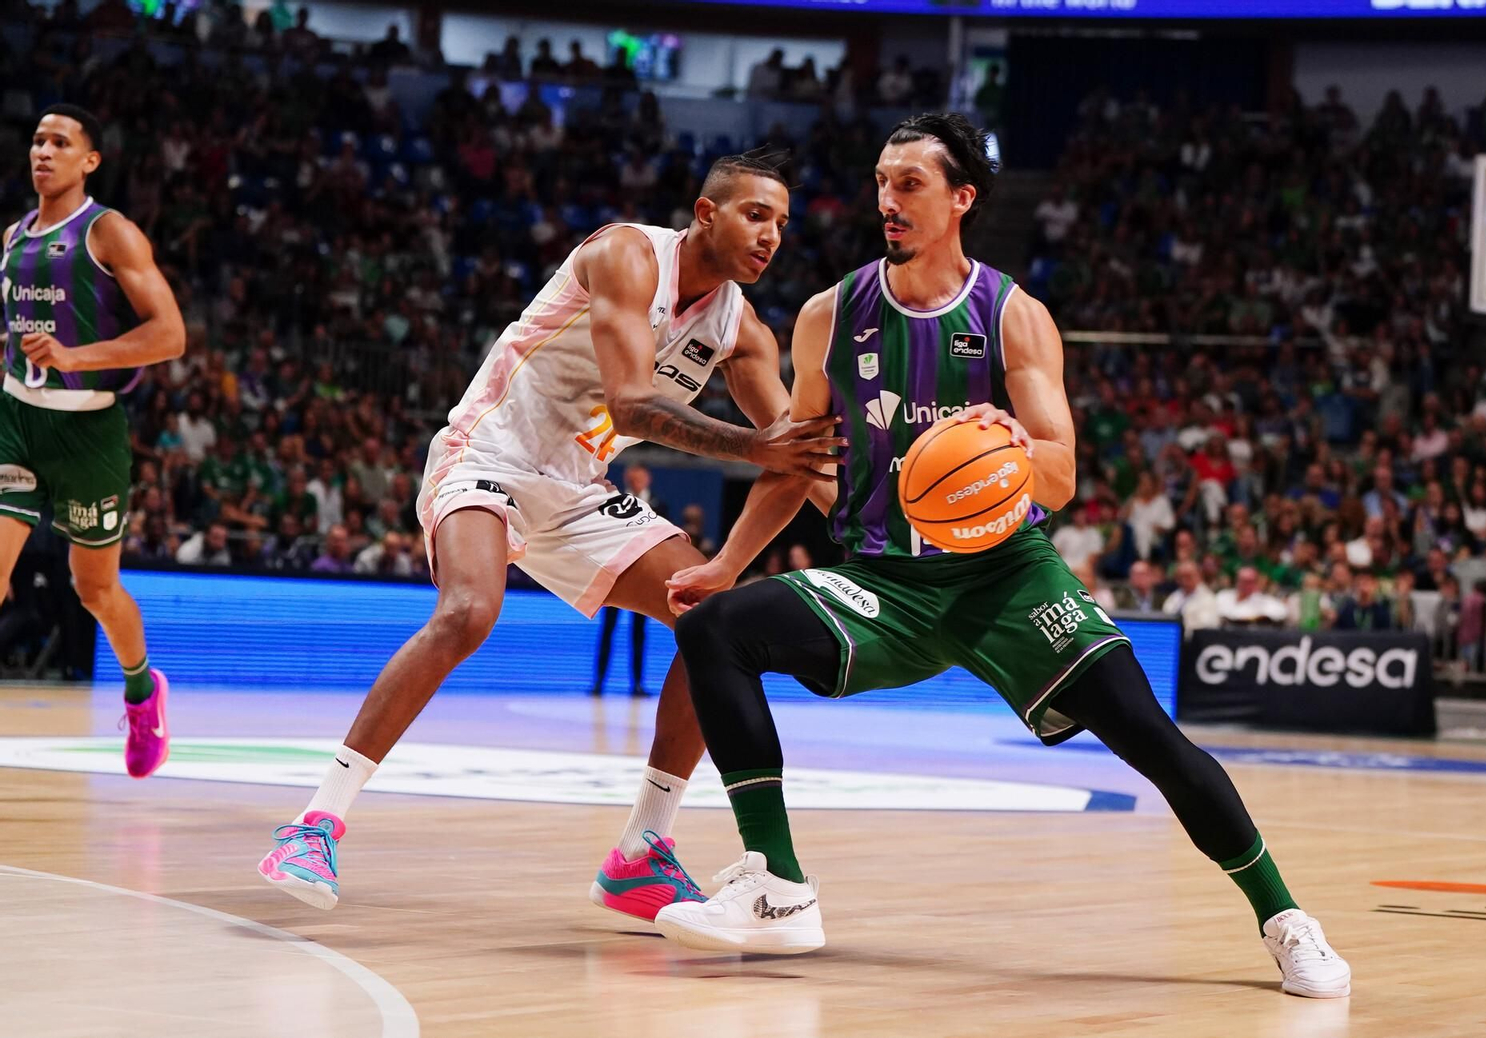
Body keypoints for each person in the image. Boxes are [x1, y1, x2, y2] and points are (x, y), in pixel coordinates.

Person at [656, 113, 1349, 998]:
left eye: (910, 184)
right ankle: (780, 888)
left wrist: (1010, 445)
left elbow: (1058, 479)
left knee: (1153, 740)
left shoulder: (1014, 317)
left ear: (962, 199)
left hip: (1009, 576)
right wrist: (728, 563)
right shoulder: (833, 314)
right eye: (881, 182)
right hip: (882, 581)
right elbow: (799, 460)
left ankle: (1286, 920)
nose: (888, 201)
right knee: (716, 629)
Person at [256, 152, 842, 922]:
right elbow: (634, 408)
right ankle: (314, 823)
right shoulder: (627, 256)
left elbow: (795, 450)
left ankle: (641, 853)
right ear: (706, 214)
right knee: (469, 610)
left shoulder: (745, 332)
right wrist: (753, 448)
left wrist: (880, 519)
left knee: (714, 621)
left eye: (782, 224)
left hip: (578, 490)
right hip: (488, 453)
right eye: (756, 215)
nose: (772, 236)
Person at [1, 105, 185, 778]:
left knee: (95, 589)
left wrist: (77, 356)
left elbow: (170, 334)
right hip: (17, 420)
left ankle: (142, 693)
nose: (43, 152)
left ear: (90, 161)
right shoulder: (13, 238)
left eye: (60, 142)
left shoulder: (110, 233)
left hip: (88, 429)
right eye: (37, 141)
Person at [590, 465, 667, 696]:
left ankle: (638, 683)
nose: (636, 481)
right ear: (627, 479)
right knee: (608, 630)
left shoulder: (660, 505)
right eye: (633, 478)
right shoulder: (614, 501)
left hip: (644, 578)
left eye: (640, 477)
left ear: (648, 478)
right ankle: (599, 682)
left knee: (639, 633)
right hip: (615, 575)